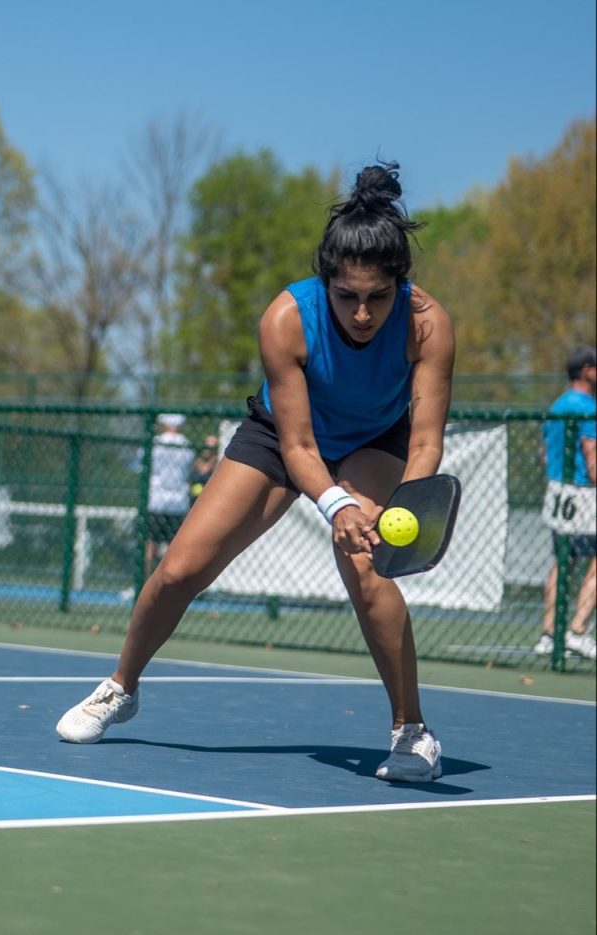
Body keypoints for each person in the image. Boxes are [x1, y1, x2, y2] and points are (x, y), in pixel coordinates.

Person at [56, 162, 455, 783]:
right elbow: (297, 446)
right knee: (181, 567)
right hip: (281, 436)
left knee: (366, 568)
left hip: (375, 440)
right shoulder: (285, 319)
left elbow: (426, 439)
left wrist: (398, 508)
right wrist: (336, 506)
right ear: (325, 281)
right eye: (346, 296)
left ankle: (413, 732)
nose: (361, 314)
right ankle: (120, 687)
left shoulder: (428, 323)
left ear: (400, 285)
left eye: (377, 297)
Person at [534, 347, 597, 660]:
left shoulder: (557, 405)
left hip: (557, 491)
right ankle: (577, 630)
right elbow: (592, 454)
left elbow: (546, 453)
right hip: (584, 493)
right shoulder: (587, 407)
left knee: (562, 561)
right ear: (587, 370)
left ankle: (549, 633)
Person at [145, 413, 194, 577]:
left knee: (151, 545)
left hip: (156, 500)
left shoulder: (156, 443)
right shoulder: (187, 445)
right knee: (174, 546)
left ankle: (145, 581)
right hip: (179, 501)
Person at [188, 434, 219, 504]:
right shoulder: (195, 463)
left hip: (208, 501)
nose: (207, 449)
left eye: (211, 447)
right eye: (206, 445)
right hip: (192, 501)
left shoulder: (217, 465)